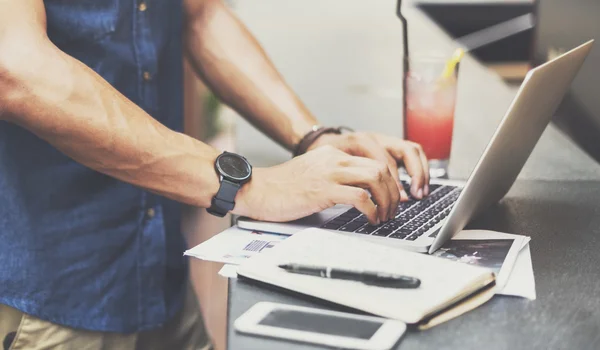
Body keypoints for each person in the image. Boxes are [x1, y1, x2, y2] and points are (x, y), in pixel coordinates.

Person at [0, 0, 429, 349]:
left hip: (156, 272)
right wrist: (247, 185)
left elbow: (199, 13)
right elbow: (15, 67)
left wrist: (312, 136)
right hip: (49, 296)